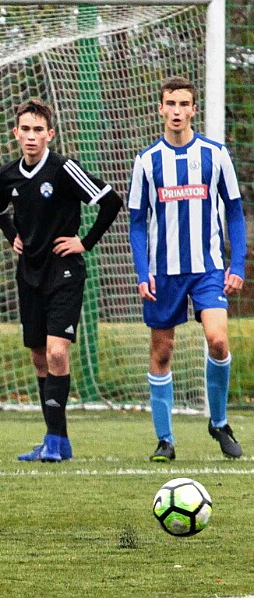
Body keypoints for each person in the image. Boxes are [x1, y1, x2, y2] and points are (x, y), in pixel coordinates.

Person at [0, 99, 123, 462]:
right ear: (16, 133)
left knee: (57, 351)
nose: (31, 137)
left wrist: (85, 242)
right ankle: (58, 441)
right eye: (25, 130)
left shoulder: (64, 168)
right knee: (37, 355)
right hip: (29, 272)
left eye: (38, 130)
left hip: (64, 270)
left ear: (50, 134)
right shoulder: (9, 174)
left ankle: (53, 439)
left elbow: (111, 201)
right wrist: (11, 235)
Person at [128, 76, 246, 462]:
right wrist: (142, 271)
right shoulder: (147, 161)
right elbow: (137, 222)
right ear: (160, 109)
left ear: (194, 109)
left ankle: (219, 422)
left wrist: (237, 263)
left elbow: (234, 211)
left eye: (184, 104)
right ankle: (165, 439)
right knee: (162, 352)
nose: (177, 111)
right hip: (164, 273)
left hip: (208, 269)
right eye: (170, 104)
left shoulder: (216, 154)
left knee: (218, 340)